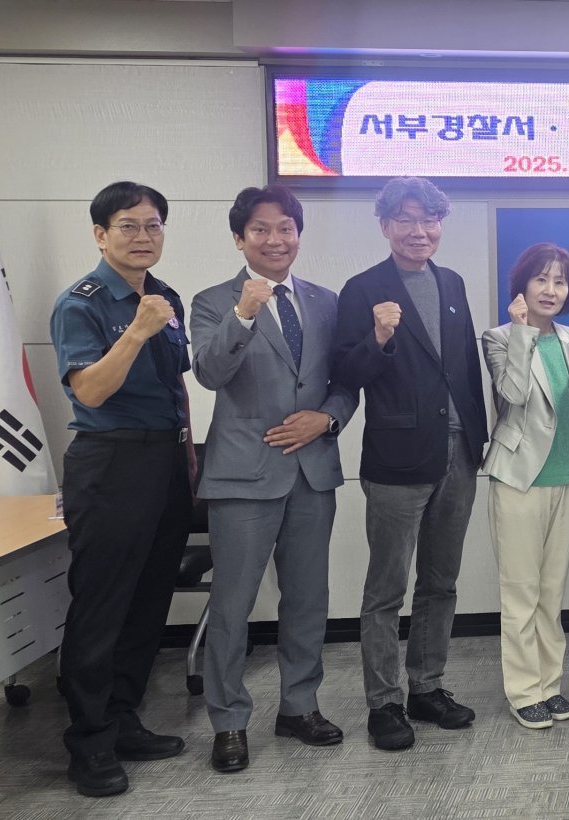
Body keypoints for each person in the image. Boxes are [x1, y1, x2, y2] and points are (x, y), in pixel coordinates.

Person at [189, 186, 356, 772]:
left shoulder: (326, 302)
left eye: (286, 228)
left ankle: (299, 706)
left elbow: (347, 380)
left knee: (308, 599)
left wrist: (327, 418)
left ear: (298, 235)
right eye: (260, 229)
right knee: (232, 605)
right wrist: (244, 314)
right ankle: (229, 721)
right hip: (243, 474)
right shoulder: (213, 301)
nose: (275, 239)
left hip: (313, 471)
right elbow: (209, 372)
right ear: (240, 238)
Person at [49, 181, 194, 797]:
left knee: (148, 600)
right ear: (100, 234)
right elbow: (89, 390)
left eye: (153, 225)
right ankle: (88, 743)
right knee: (102, 604)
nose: (143, 236)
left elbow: (177, 385)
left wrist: (188, 459)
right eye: (128, 225)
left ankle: (123, 718)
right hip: (111, 462)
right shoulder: (80, 304)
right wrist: (135, 331)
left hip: (166, 460)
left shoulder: (165, 296)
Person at [333, 177, 488, 751]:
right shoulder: (362, 288)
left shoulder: (452, 282)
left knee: (441, 582)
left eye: (429, 220)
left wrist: (478, 440)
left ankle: (427, 686)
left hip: (459, 454)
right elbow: (346, 374)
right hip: (397, 458)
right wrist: (378, 337)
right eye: (405, 219)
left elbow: (464, 369)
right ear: (385, 225)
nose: (418, 230)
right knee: (386, 589)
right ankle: (384, 702)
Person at [481, 243, 569, 730]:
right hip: (519, 479)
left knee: (551, 593)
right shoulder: (499, 337)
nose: (551, 290)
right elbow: (513, 394)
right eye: (541, 279)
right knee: (520, 592)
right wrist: (524, 332)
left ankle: (550, 685)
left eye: (560, 281)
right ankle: (524, 691)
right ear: (522, 285)